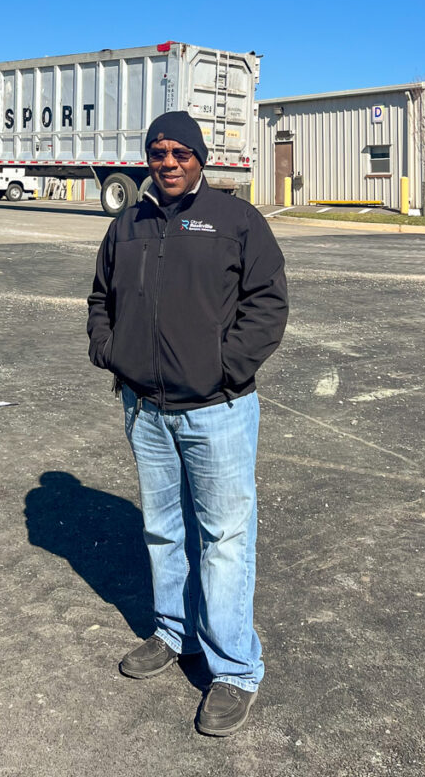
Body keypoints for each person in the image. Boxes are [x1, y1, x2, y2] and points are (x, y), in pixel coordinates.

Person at [87, 111, 288, 736]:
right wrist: (109, 349)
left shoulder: (236, 222)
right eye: (157, 151)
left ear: (201, 158)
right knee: (162, 530)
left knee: (225, 538)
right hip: (145, 409)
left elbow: (268, 303)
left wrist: (225, 369)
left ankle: (234, 669)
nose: (168, 161)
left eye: (180, 151)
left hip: (217, 412)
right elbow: (100, 299)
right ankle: (175, 635)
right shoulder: (128, 224)